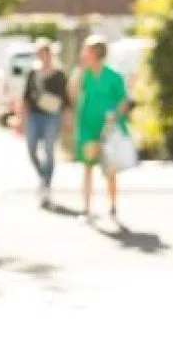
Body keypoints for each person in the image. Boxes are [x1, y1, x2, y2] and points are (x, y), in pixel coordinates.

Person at [69, 34, 128, 222]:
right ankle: (86, 209)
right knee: (87, 167)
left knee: (110, 170)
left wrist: (115, 116)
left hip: (108, 129)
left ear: (95, 53)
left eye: (86, 50)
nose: (83, 53)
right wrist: (79, 70)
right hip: (88, 127)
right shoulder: (83, 74)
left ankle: (112, 206)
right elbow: (71, 93)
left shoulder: (113, 76)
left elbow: (124, 101)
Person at [21, 37, 69, 207]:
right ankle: (42, 176)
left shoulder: (59, 74)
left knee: (49, 149)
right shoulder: (33, 74)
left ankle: (46, 184)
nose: (42, 56)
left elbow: (65, 99)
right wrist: (22, 119)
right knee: (31, 149)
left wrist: (67, 120)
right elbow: (25, 97)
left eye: (45, 52)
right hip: (34, 115)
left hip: (52, 116)